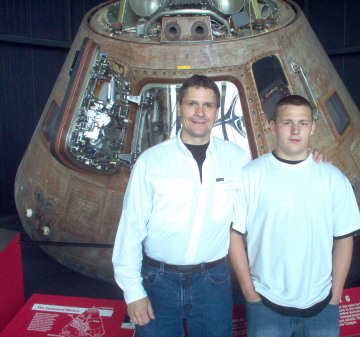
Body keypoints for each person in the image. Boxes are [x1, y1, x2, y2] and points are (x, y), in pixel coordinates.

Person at [112, 75, 325, 337]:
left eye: (208, 105)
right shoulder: (151, 162)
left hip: (212, 283)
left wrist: (306, 160)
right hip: (158, 282)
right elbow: (130, 229)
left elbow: (269, 189)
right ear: (179, 108)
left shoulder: (236, 159)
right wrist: (133, 292)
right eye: (192, 104)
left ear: (217, 110)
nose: (200, 113)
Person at [229, 95, 360, 337]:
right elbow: (234, 235)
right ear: (272, 126)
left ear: (312, 128)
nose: (295, 130)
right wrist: (249, 292)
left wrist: (335, 295)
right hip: (265, 305)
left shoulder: (333, 179)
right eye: (287, 122)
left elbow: (344, 238)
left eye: (303, 123)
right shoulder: (250, 176)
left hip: (321, 305)